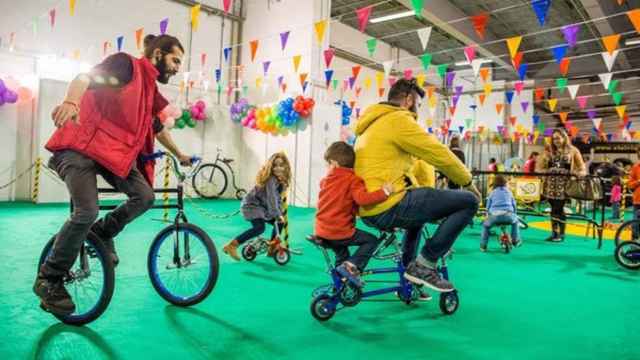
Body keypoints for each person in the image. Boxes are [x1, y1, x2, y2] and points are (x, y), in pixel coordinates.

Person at [34, 34, 192, 316]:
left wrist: (180, 154)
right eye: (175, 59)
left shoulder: (148, 90)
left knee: (144, 196)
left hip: (111, 155)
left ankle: (102, 232)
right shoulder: (126, 66)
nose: (178, 67)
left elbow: (156, 126)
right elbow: (85, 78)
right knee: (86, 210)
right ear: (157, 54)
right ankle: (49, 278)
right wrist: (71, 102)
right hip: (79, 147)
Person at [353, 78, 481, 293]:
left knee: (417, 219)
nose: (418, 111)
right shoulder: (398, 121)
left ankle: (409, 274)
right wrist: (467, 181)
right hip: (387, 205)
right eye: (418, 105)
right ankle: (425, 264)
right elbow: (437, 152)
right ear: (409, 99)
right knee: (469, 202)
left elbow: (409, 166)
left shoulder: (371, 124)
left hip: (369, 207)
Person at [314, 141, 391, 287]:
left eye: (327, 165)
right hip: (339, 231)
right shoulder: (352, 179)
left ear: (334, 164)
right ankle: (352, 267)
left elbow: (338, 201)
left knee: (341, 254)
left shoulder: (325, 181)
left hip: (322, 231)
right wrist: (384, 192)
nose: (327, 168)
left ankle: (340, 285)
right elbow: (362, 199)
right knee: (371, 240)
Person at [223, 152, 291, 261]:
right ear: (270, 166)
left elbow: (277, 198)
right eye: (275, 165)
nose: (278, 168)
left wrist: (279, 213)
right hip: (252, 206)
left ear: (285, 166)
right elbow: (272, 199)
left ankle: (272, 247)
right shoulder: (270, 180)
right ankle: (232, 245)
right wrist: (277, 213)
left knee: (280, 222)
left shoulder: (279, 180)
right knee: (259, 228)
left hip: (262, 207)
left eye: (281, 165)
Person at [536, 129, 586, 242]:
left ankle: (559, 234)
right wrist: (544, 171)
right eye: (554, 138)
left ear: (564, 138)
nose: (556, 141)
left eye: (558, 138)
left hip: (564, 186)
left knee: (558, 208)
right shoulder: (548, 151)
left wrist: (577, 174)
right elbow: (539, 167)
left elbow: (582, 168)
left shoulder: (573, 150)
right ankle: (556, 233)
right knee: (554, 209)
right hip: (550, 185)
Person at [481, 175, 521, 251]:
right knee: (515, 222)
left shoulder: (492, 192)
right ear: (505, 183)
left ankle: (483, 246)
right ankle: (515, 240)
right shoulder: (509, 192)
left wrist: (487, 214)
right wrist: (515, 214)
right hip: (508, 215)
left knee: (485, 226)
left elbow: (488, 206)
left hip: (495, 216)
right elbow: (514, 205)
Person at [627, 147, 640, 238]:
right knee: (635, 225)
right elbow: (630, 185)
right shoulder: (635, 168)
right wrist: (638, 182)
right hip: (638, 202)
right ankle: (633, 247)